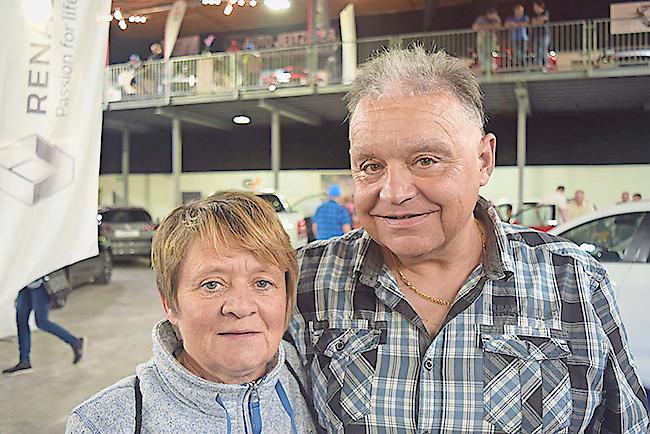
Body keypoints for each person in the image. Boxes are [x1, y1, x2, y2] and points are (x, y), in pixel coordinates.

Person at [287, 47, 649, 432]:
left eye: (425, 160)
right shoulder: (305, 279)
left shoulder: (572, 280)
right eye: (371, 166)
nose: (392, 192)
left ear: (483, 161)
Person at [66, 192, 316, 433]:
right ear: (170, 305)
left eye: (262, 283)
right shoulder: (104, 424)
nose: (241, 307)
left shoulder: (307, 372)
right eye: (212, 284)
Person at [2, 277, 85, 376]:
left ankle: (75, 342)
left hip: (41, 285)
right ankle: (24, 362)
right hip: (26, 284)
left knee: (42, 322)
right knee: (21, 321)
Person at [472, 7, 502, 74]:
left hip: (491, 40)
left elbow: (498, 26)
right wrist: (488, 27)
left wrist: (495, 19)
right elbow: (474, 27)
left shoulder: (496, 20)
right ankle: (484, 69)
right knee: (482, 54)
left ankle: (490, 68)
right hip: (482, 40)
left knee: (491, 53)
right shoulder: (481, 19)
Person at [505, 3, 530, 68]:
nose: (521, 12)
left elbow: (527, 24)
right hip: (513, 39)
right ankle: (516, 66)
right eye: (519, 10)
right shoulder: (510, 18)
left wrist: (515, 24)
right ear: (515, 10)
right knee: (515, 53)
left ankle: (523, 66)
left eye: (522, 10)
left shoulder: (525, 17)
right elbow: (506, 25)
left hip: (523, 38)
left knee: (523, 53)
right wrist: (513, 24)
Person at [531, 1, 550, 69]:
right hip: (536, 35)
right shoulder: (534, 15)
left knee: (543, 50)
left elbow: (541, 22)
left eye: (535, 7)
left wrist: (537, 21)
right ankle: (538, 67)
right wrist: (537, 21)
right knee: (536, 51)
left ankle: (545, 66)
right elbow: (533, 23)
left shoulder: (545, 12)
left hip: (544, 35)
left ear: (540, 7)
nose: (534, 9)